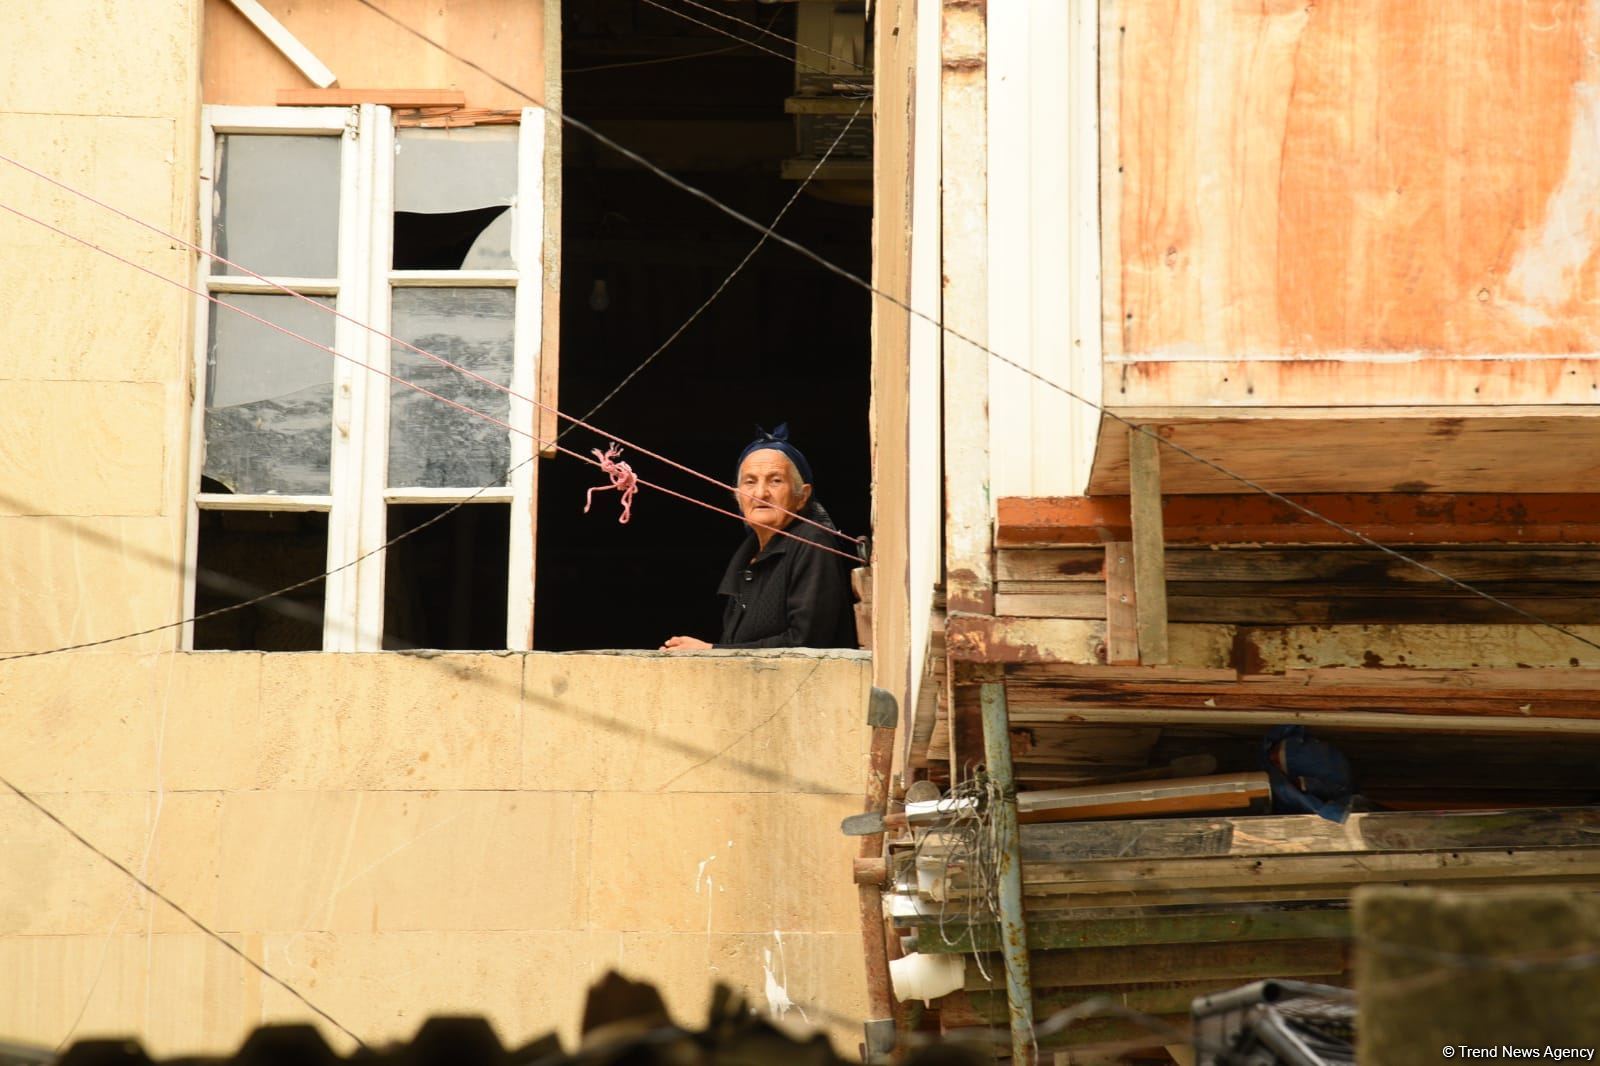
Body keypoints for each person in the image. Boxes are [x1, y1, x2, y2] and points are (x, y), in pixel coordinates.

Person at [661, 425, 855, 650]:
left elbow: (805, 643)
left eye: (775, 481)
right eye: (750, 482)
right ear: (737, 496)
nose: (761, 493)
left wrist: (711, 651)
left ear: (802, 496)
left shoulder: (812, 542)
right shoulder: (747, 556)